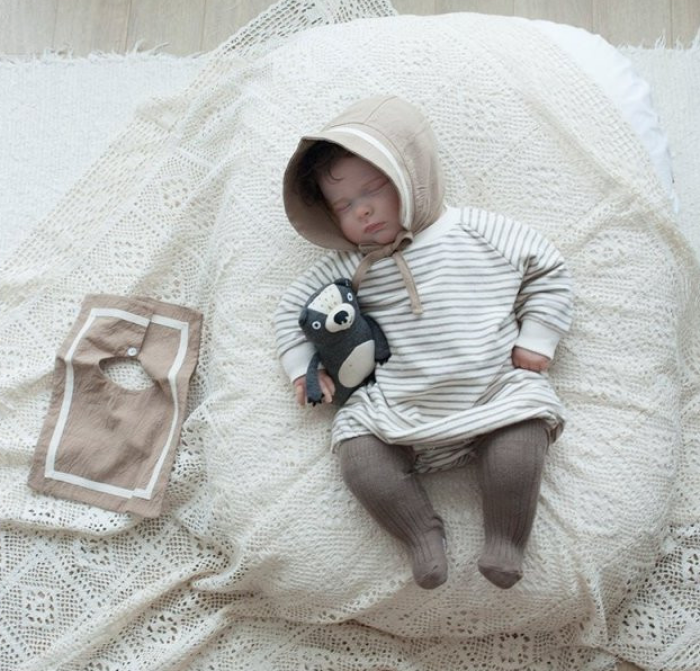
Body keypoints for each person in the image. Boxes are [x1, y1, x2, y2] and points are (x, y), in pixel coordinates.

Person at [275, 95, 574, 590]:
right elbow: (291, 311)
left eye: (373, 189)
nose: (362, 209)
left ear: (412, 176)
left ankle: (506, 540)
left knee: (525, 433)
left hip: (496, 392)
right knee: (356, 452)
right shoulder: (350, 264)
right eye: (343, 206)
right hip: (398, 406)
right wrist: (303, 369)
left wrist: (538, 338)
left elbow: (548, 267)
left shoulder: (478, 231)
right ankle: (420, 535)